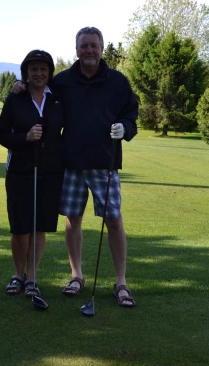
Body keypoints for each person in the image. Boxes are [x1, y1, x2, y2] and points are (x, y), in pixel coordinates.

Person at [54, 27, 138, 308]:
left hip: (106, 163)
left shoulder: (117, 81)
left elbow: (131, 113)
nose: (89, 50)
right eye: (84, 46)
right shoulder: (63, 80)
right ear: (76, 49)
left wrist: (124, 127)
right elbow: (39, 95)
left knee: (113, 221)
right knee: (72, 219)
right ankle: (76, 276)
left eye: (94, 45)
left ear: (101, 49)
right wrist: (20, 86)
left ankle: (121, 282)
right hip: (73, 163)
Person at [0, 50, 64, 298]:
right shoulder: (16, 98)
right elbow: (2, 134)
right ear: (26, 72)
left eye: (43, 69)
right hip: (20, 171)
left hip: (49, 170)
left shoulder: (57, 97)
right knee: (20, 227)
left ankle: (32, 276)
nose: (39, 73)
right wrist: (24, 138)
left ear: (49, 72)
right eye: (33, 69)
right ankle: (18, 274)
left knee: (39, 226)